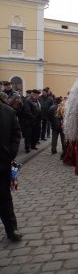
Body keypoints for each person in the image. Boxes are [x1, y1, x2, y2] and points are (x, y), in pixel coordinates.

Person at [0, 97, 22, 242]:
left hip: (2, 163)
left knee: (4, 198)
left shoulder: (7, 111)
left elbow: (16, 134)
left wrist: (10, 154)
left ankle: (11, 229)